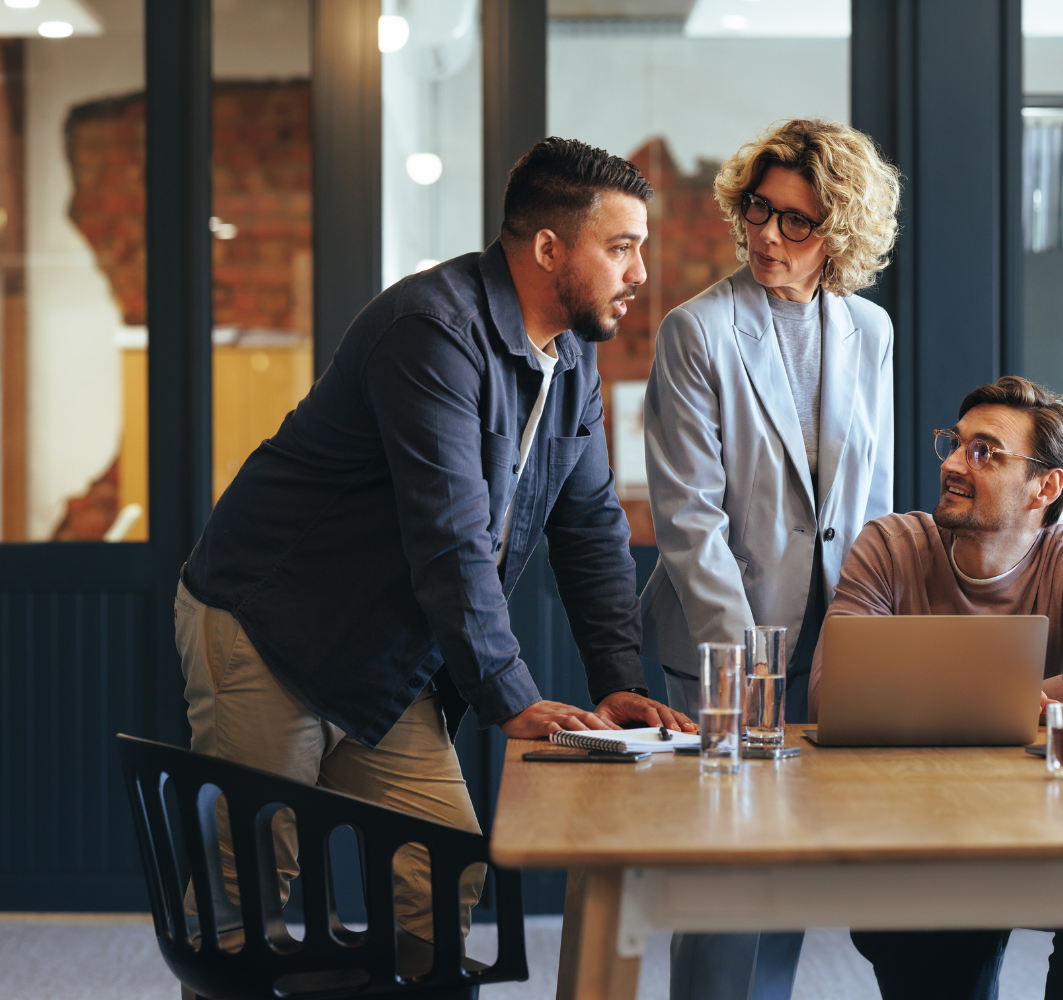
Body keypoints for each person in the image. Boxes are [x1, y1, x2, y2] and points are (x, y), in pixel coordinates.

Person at [175, 138, 692, 946]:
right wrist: (511, 696)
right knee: (248, 889)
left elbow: (589, 525)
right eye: (622, 248)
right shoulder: (432, 332)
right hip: (270, 627)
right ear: (550, 248)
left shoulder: (570, 361)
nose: (639, 275)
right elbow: (450, 537)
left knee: (441, 869)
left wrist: (618, 683)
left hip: (385, 651)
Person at [640, 118, 899, 1000]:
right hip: (724, 645)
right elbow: (687, 520)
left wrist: (869, 634)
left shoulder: (870, 330)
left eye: (799, 222)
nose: (770, 238)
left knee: (785, 869)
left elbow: (873, 501)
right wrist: (744, 669)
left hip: (833, 640)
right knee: (722, 882)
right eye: (760, 211)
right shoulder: (696, 332)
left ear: (843, 234)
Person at [810, 376, 1063, 1000]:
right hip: (919, 828)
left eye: (984, 452)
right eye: (955, 443)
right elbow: (833, 691)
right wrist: (1023, 704)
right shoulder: (889, 545)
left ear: (1045, 487)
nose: (951, 463)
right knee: (920, 939)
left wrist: (957, 702)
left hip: (1045, 823)